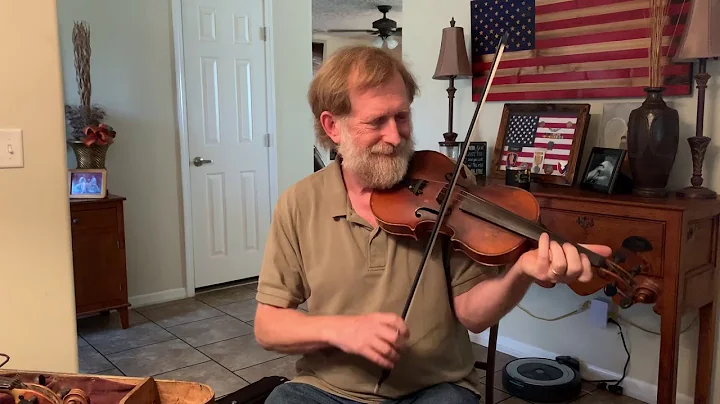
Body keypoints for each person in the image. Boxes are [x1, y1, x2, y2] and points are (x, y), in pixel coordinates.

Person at [253, 46, 612, 404]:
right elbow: (268, 326)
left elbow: (472, 314)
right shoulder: (299, 203)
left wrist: (520, 273)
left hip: (435, 389)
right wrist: (341, 330)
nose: (395, 137)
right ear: (333, 126)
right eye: (377, 122)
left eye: (402, 117)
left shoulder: (450, 189)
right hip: (328, 391)